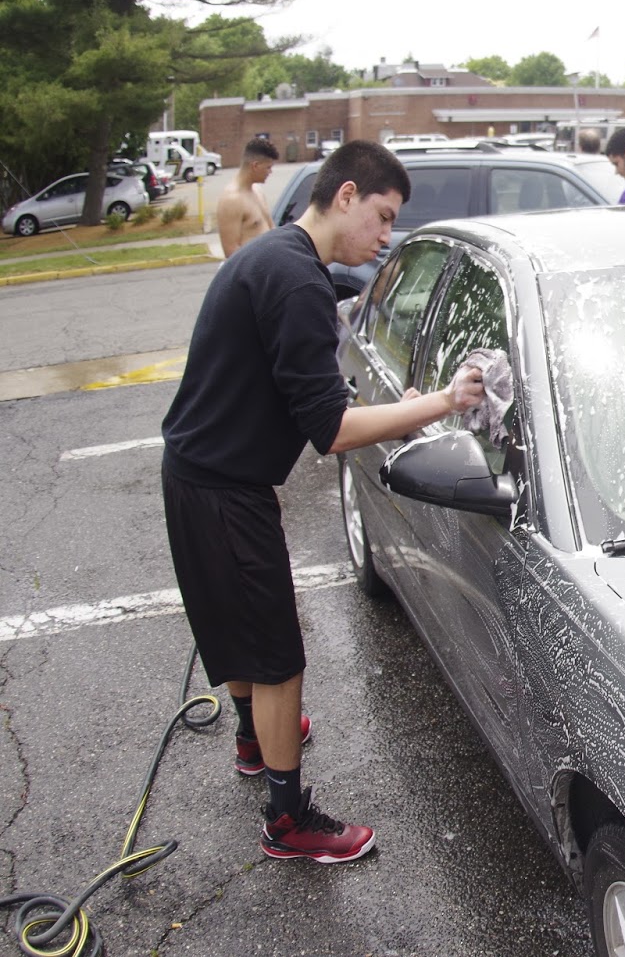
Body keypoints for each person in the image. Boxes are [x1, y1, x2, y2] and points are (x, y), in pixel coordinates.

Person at [161, 140, 485, 864]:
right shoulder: (297, 280)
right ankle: (288, 818)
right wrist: (438, 401)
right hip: (223, 490)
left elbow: (302, 383)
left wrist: (399, 409)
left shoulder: (279, 257)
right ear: (345, 196)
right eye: (382, 216)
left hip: (197, 474)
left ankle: (253, 738)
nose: (385, 236)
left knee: (244, 631)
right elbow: (332, 431)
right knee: (277, 654)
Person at [216, 138, 279, 257]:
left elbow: (272, 230)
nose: (270, 172)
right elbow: (231, 253)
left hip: (269, 269)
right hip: (252, 273)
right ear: (255, 166)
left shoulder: (258, 191)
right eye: (268, 167)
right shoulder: (232, 200)